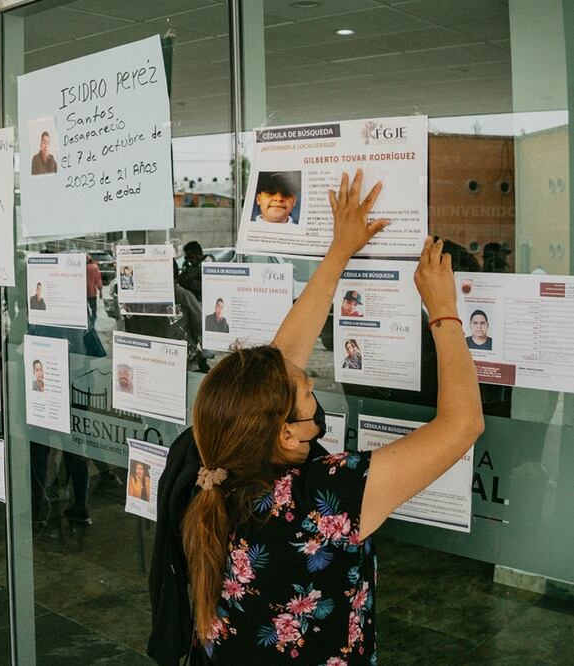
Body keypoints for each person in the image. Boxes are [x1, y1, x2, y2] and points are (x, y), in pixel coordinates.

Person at [148, 169, 484, 664]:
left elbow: (280, 365)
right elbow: (463, 426)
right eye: (307, 391)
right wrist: (443, 311)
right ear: (284, 431)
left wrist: (339, 250)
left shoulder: (208, 455)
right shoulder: (324, 498)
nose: (311, 384)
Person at [86, 255, 102, 324]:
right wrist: (100, 290)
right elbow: (98, 280)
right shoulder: (94, 267)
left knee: (85, 309)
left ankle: (88, 319)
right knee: (93, 308)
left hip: (81, 292)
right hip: (92, 292)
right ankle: (93, 320)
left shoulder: (79, 267)